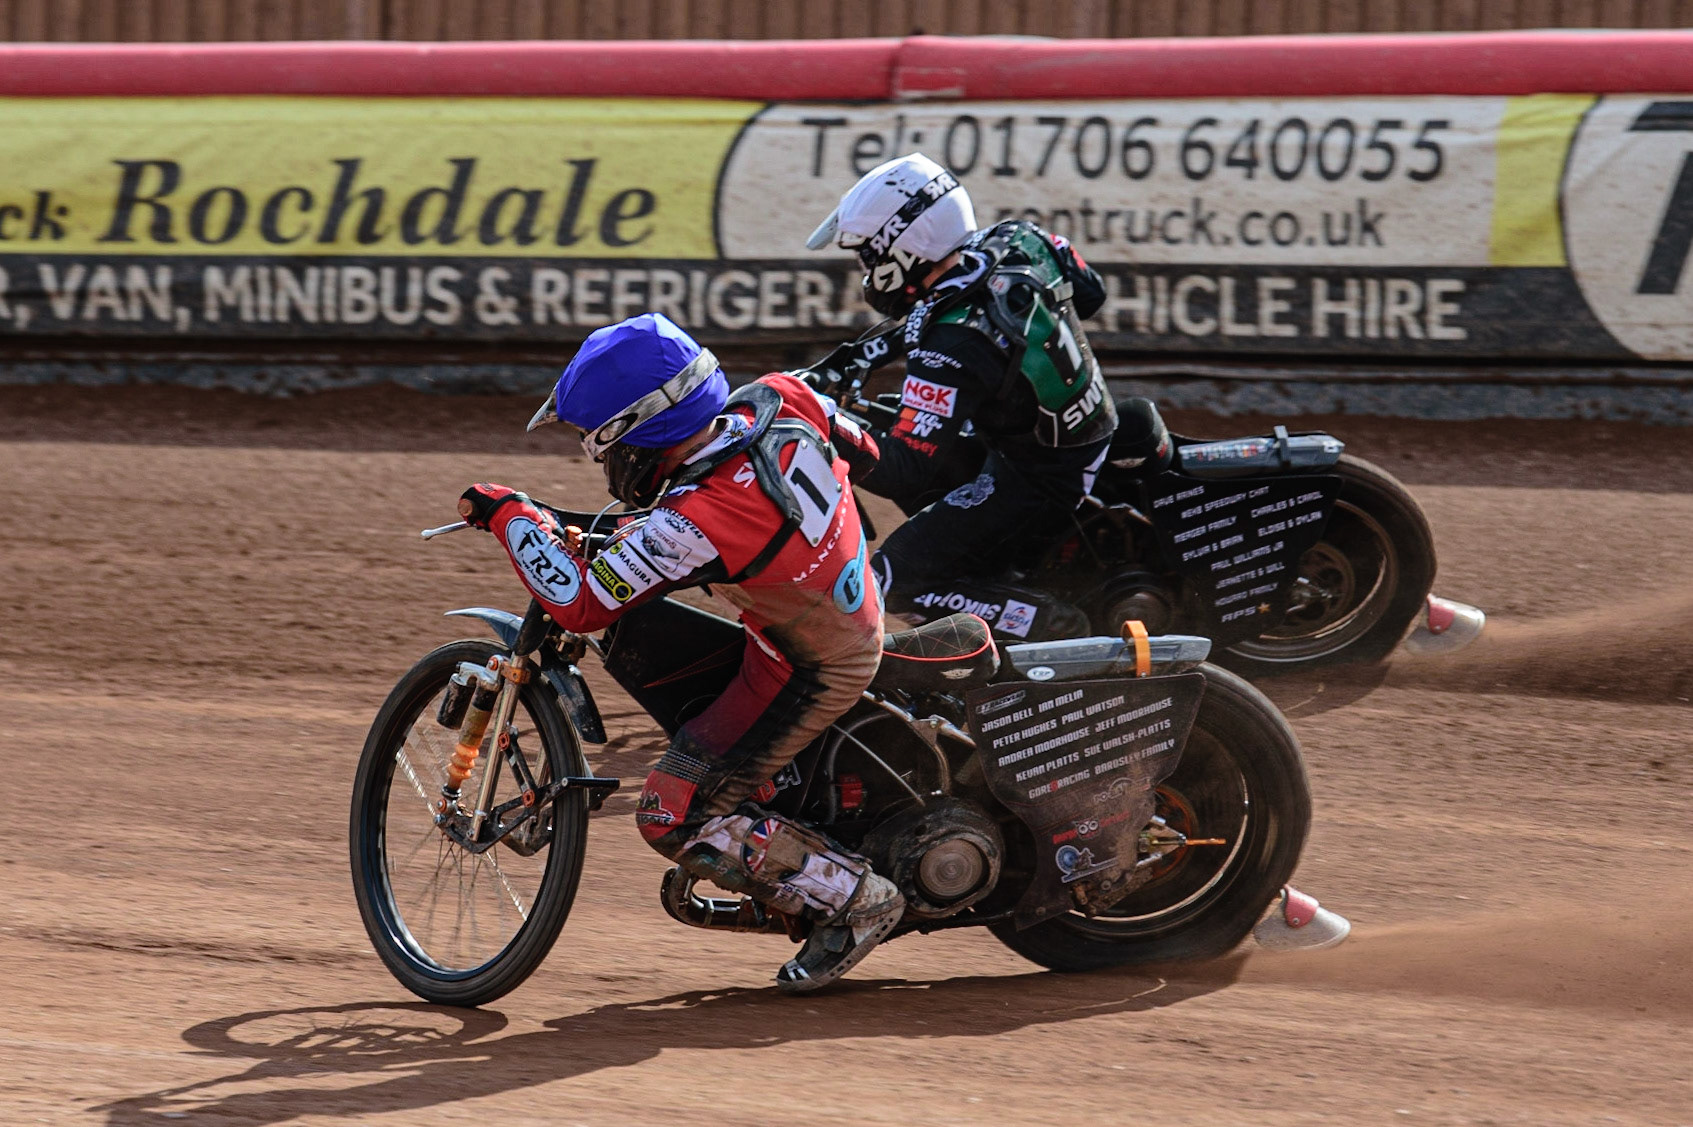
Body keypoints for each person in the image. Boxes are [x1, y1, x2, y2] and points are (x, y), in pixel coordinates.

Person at [457, 312, 900, 993]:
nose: (596, 457)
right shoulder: (779, 395)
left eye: (592, 441)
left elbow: (580, 604)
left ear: (633, 432)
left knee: (670, 810)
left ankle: (856, 898)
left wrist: (508, 512)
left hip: (810, 664)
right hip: (846, 590)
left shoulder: (698, 518)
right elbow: (867, 453)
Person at [806, 153, 1118, 635]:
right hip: (1084, 432)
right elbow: (1090, 295)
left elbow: (905, 469)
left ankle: (1061, 630)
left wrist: (826, 421)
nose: (866, 268)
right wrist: (857, 357)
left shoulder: (947, 348)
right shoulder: (1021, 239)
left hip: (1037, 478)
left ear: (903, 247)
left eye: (867, 254)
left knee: (892, 578)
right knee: (896, 415)